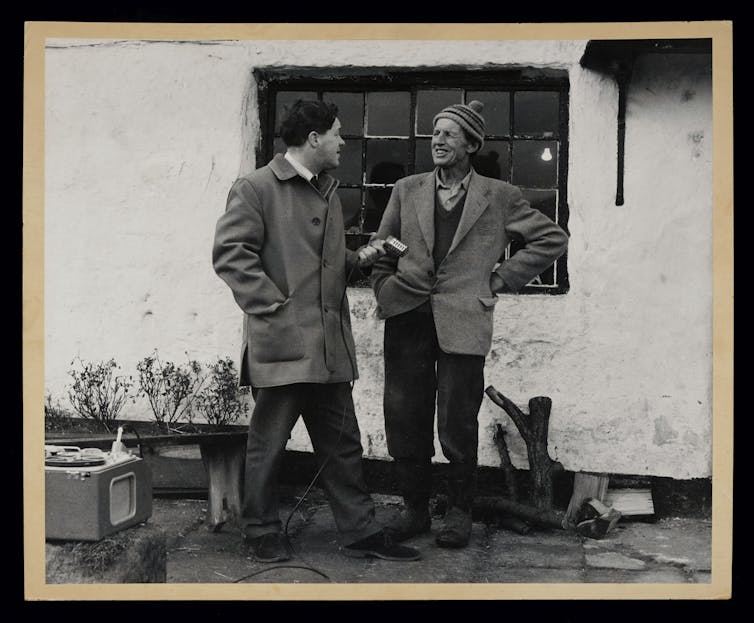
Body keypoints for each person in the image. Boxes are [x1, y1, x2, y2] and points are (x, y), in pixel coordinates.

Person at [212, 99, 420, 563]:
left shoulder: (325, 190)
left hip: (327, 348)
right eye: (338, 134)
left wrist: (360, 258)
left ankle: (360, 531)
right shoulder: (255, 187)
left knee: (344, 443)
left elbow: (324, 266)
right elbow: (231, 255)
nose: (344, 142)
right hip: (285, 343)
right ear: (314, 139)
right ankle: (260, 529)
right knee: (268, 445)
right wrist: (275, 308)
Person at [370, 100, 569, 549]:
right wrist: (386, 282)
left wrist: (499, 277)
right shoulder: (407, 188)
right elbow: (384, 242)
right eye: (434, 133)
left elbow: (552, 238)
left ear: (471, 144)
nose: (436, 141)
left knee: (457, 421)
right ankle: (414, 510)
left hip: (464, 318)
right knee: (404, 416)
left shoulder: (498, 196)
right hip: (406, 315)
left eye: (447, 134)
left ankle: (459, 512)